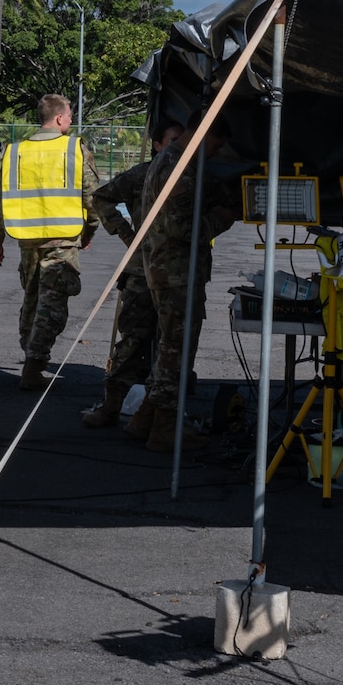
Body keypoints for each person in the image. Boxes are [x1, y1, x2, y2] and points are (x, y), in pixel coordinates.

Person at [132, 112, 244, 452]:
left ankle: (147, 417)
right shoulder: (177, 168)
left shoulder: (173, 161)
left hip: (169, 269)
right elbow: (183, 228)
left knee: (169, 345)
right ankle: (164, 425)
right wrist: (220, 219)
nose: (215, 153)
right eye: (215, 145)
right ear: (203, 134)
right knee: (176, 350)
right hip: (175, 270)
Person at [0, 94, 99, 390]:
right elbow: (91, 198)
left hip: (26, 238)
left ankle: (30, 356)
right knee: (52, 303)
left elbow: (2, 201)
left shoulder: (15, 152)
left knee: (33, 298)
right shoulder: (73, 149)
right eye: (70, 115)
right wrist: (89, 231)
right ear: (60, 118)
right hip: (62, 237)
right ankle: (34, 364)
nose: (72, 121)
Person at [82, 120, 184, 428]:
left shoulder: (192, 177)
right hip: (143, 270)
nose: (177, 147)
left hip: (178, 272)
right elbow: (101, 198)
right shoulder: (143, 174)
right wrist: (128, 235)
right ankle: (112, 404)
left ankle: (153, 414)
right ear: (157, 145)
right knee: (132, 341)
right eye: (172, 140)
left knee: (171, 345)